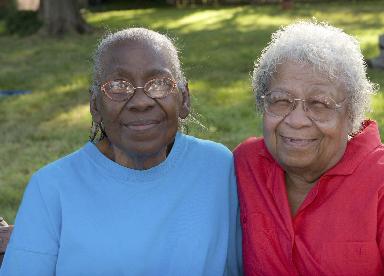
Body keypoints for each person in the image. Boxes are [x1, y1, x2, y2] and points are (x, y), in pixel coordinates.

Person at [0, 28, 241, 276]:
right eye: (118, 86)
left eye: (159, 83)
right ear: (95, 105)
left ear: (184, 98)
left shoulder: (218, 168)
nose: (140, 101)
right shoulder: (51, 188)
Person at [234, 21, 384, 275]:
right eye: (281, 101)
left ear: (351, 114)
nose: (296, 121)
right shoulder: (245, 166)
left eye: (319, 104)